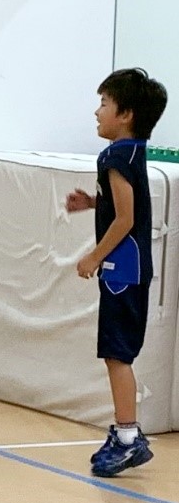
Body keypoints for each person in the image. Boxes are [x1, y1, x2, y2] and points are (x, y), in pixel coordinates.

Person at [66, 67, 167, 477]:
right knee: (116, 353)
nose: (97, 111)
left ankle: (128, 437)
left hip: (121, 267)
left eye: (104, 104)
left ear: (125, 114)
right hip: (129, 267)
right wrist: (93, 202)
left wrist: (93, 256)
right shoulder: (131, 152)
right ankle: (127, 434)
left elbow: (125, 220)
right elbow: (129, 205)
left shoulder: (115, 155)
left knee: (117, 354)